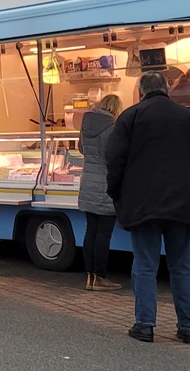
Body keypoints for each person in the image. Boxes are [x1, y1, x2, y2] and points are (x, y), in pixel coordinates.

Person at [106, 72, 190, 344]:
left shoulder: (129, 118)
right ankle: (188, 327)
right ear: (167, 89)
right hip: (182, 206)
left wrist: (119, 197)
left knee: (144, 266)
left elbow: (114, 162)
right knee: (182, 267)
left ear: (141, 91)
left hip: (143, 206)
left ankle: (145, 325)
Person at [78, 94, 123, 292]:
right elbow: (114, 155)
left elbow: (81, 149)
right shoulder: (113, 128)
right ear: (115, 109)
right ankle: (101, 277)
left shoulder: (86, 124)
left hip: (87, 182)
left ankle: (90, 276)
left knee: (91, 231)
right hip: (105, 183)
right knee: (104, 233)